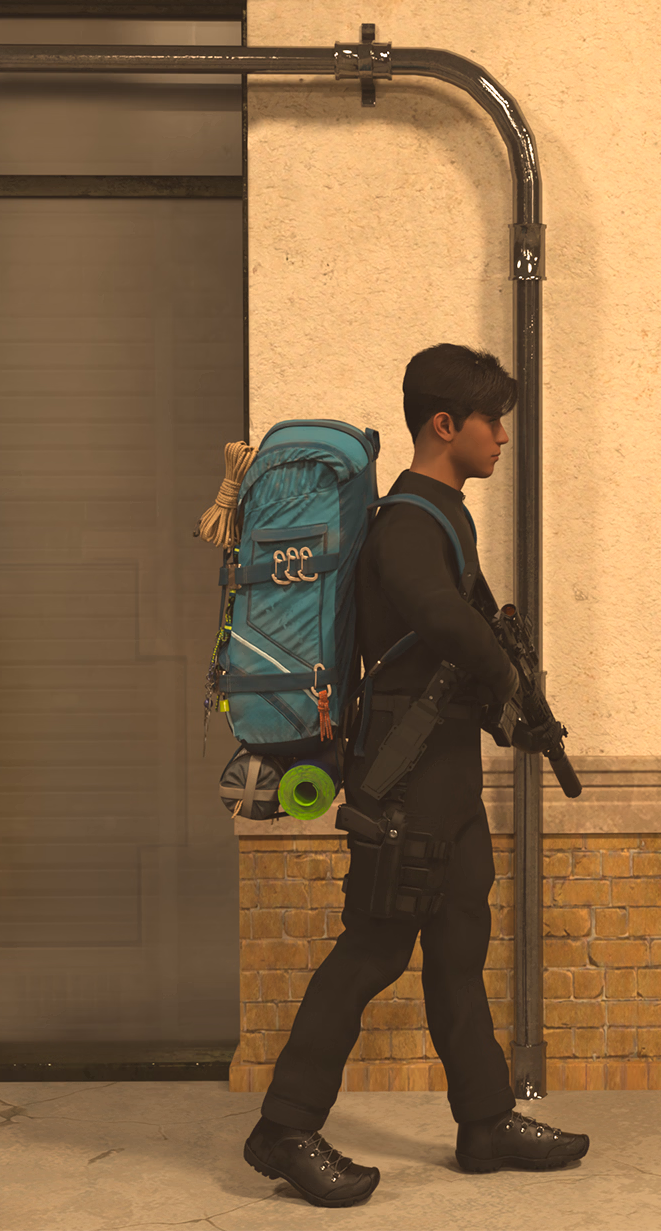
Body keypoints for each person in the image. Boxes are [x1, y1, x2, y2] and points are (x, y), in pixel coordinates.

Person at [242, 343, 590, 1208]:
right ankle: (283, 1128)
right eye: (490, 420)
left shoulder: (444, 516)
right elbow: (443, 620)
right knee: (373, 948)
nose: (501, 436)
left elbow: (465, 627)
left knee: (460, 948)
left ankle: (485, 1121)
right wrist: (510, 684)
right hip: (404, 774)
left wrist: (513, 704)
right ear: (444, 424)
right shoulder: (405, 523)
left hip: (448, 775)